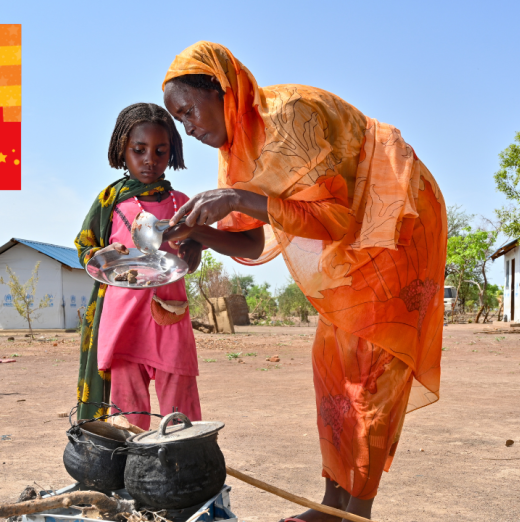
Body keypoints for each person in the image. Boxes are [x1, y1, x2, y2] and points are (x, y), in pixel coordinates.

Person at [160, 42, 447, 521]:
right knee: (331, 362)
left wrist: (237, 199)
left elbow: (335, 216)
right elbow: (252, 242)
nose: (188, 127)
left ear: (221, 88)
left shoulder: (289, 114)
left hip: (397, 219)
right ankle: (332, 505)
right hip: (351, 239)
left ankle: (357, 512)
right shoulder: (237, 154)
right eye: (179, 120)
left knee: (371, 371)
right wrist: (197, 234)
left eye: (189, 111)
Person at [73, 103, 204, 429]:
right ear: (122, 149)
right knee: (128, 417)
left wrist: (194, 248)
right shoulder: (109, 202)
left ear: (172, 152)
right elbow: (84, 247)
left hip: (170, 316)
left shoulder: (182, 204)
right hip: (122, 321)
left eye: (160, 151)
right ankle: (132, 462)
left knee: (181, 409)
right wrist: (105, 254)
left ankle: (183, 459)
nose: (150, 159)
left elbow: (196, 244)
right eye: (139, 150)